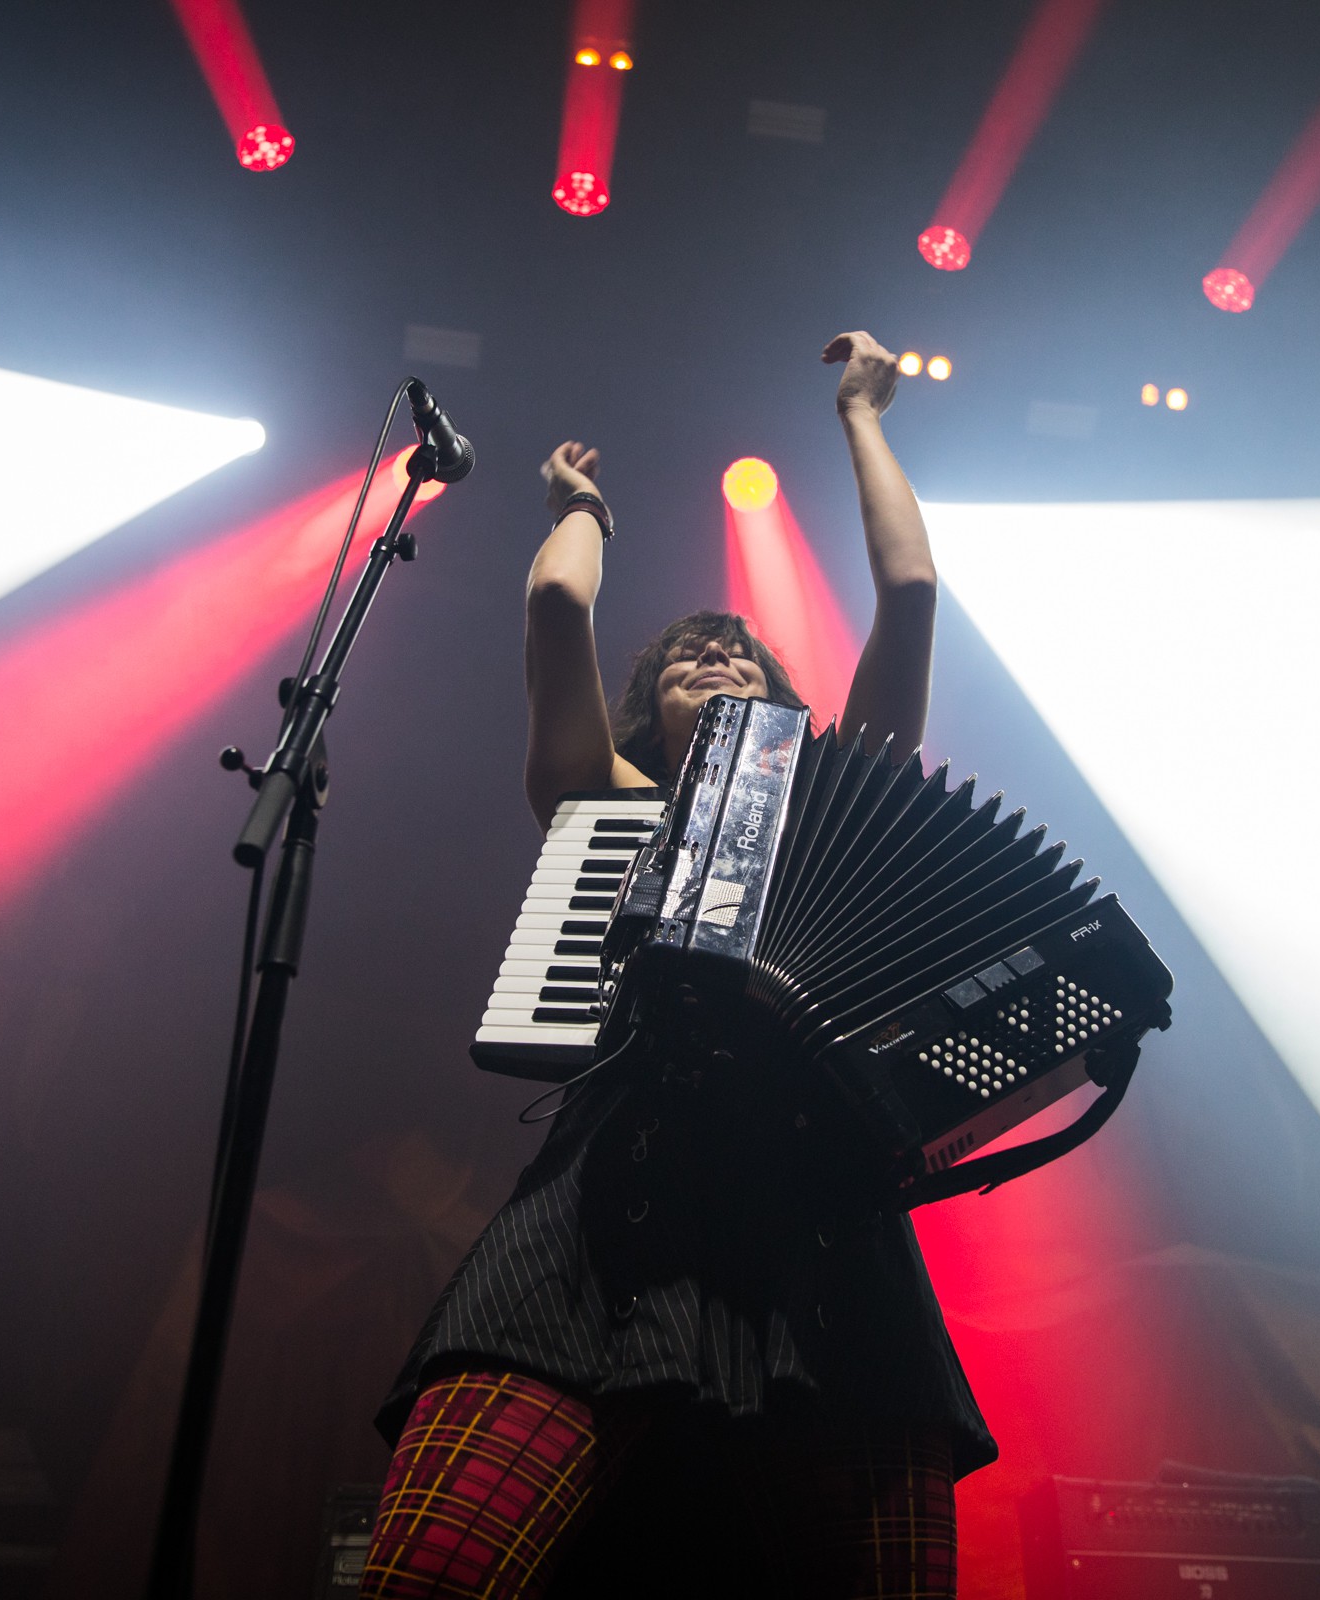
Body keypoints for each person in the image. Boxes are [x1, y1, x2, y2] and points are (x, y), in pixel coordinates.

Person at [358, 331, 983, 1600]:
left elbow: (910, 592)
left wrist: (864, 414)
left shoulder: (836, 792)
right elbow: (553, 606)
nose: (717, 656)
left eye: (741, 653)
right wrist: (580, 512)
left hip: (823, 1249)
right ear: (647, 707)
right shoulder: (603, 797)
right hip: (598, 1227)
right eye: (688, 656)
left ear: (788, 698)